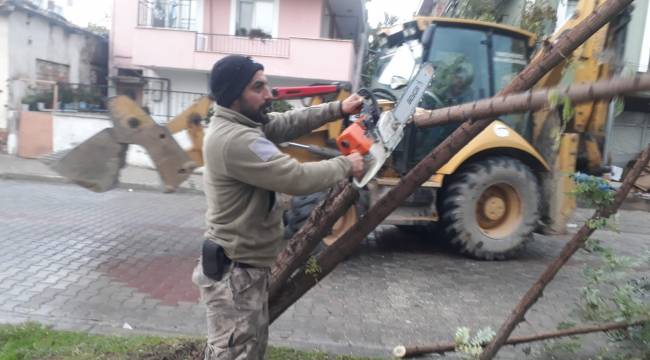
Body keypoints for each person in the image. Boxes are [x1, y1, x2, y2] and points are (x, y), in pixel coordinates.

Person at [192, 54, 365, 360]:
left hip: (243, 270)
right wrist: (345, 165)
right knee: (234, 352)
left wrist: (338, 108)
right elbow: (295, 177)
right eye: (258, 87)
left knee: (246, 349)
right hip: (236, 276)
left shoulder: (243, 124)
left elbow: (286, 123)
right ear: (234, 95)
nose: (268, 94)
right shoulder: (236, 139)